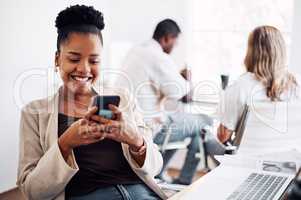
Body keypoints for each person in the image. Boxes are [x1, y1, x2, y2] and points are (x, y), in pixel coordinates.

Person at [17, 5, 166, 200]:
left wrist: (135, 140)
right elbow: (32, 191)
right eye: (73, 58)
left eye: (94, 61)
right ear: (57, 59)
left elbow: (156, 166)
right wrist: (65, 144)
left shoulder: (124, 100)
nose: (84, 69)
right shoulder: (34, 112)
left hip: (142, 194)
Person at [116, 19, 220, 185]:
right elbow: (186, 96)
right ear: (166, 38)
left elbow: (162, 84)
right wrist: (187, 79)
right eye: (175, 42)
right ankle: (183, 181)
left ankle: (162, 172)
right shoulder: (158, 57)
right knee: (205, 122)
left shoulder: (135, 51)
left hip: (127, 126)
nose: (174, 47)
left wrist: (178, 79)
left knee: (195, 135)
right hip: (148, 130)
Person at [217, 25, 299, 144]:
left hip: (247, 160)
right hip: (291, 160)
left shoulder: (242, 86)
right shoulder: (296, 85)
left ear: (251, 52)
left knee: (205, 141)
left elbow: (222, 137)